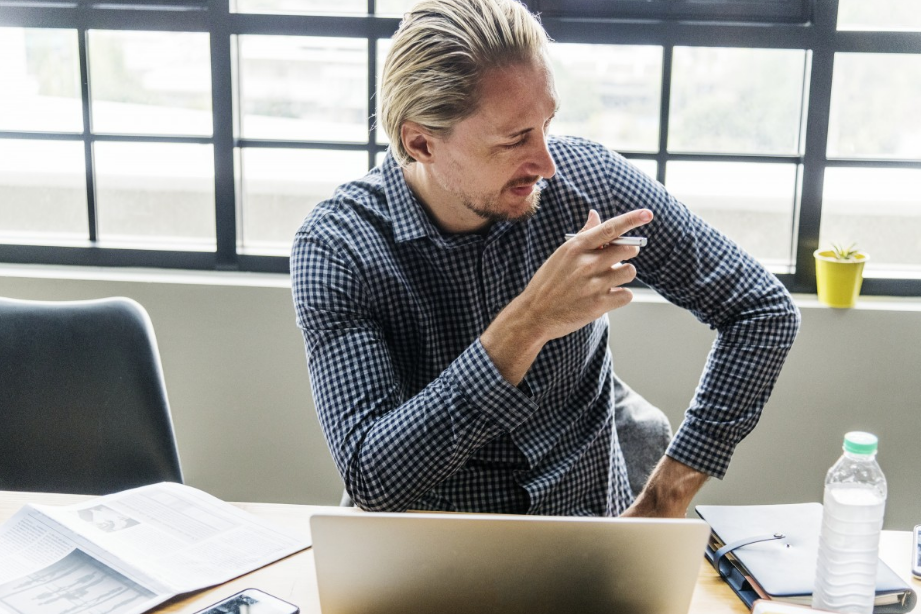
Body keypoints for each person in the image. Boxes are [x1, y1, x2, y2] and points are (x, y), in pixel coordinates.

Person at [291, 0, 800, 517]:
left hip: (592, 539)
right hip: (436, 550)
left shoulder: (587, 186)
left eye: (547, 125)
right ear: (421, 142)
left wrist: (665, 499)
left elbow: (761, 310)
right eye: (515, 139)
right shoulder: (338, 249)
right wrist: (530, 321)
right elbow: (372, 477)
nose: (546, 163)